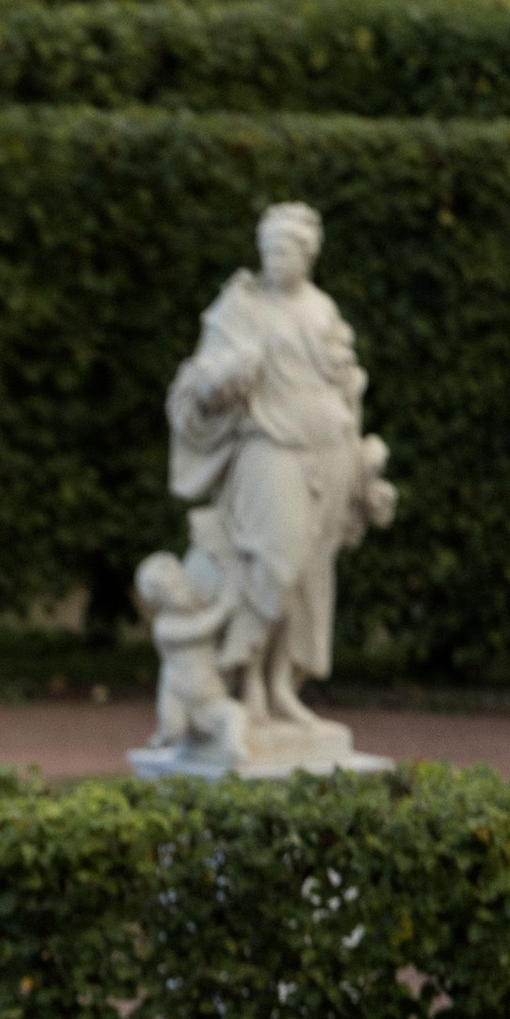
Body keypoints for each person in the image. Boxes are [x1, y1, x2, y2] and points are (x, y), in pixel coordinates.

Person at [164, 199, 395, 741]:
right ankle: (245, 683)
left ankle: (280, 688)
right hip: (268, 448)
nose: (275, 259)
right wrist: (221, 380)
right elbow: (198, 384)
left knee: (310, 577)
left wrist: (363, 470)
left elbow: (346, 388)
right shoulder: (238, 306)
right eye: (269, 249)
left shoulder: (322, 311)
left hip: (328, 451)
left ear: (308, 255)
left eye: (287, 249)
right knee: (275, 563)